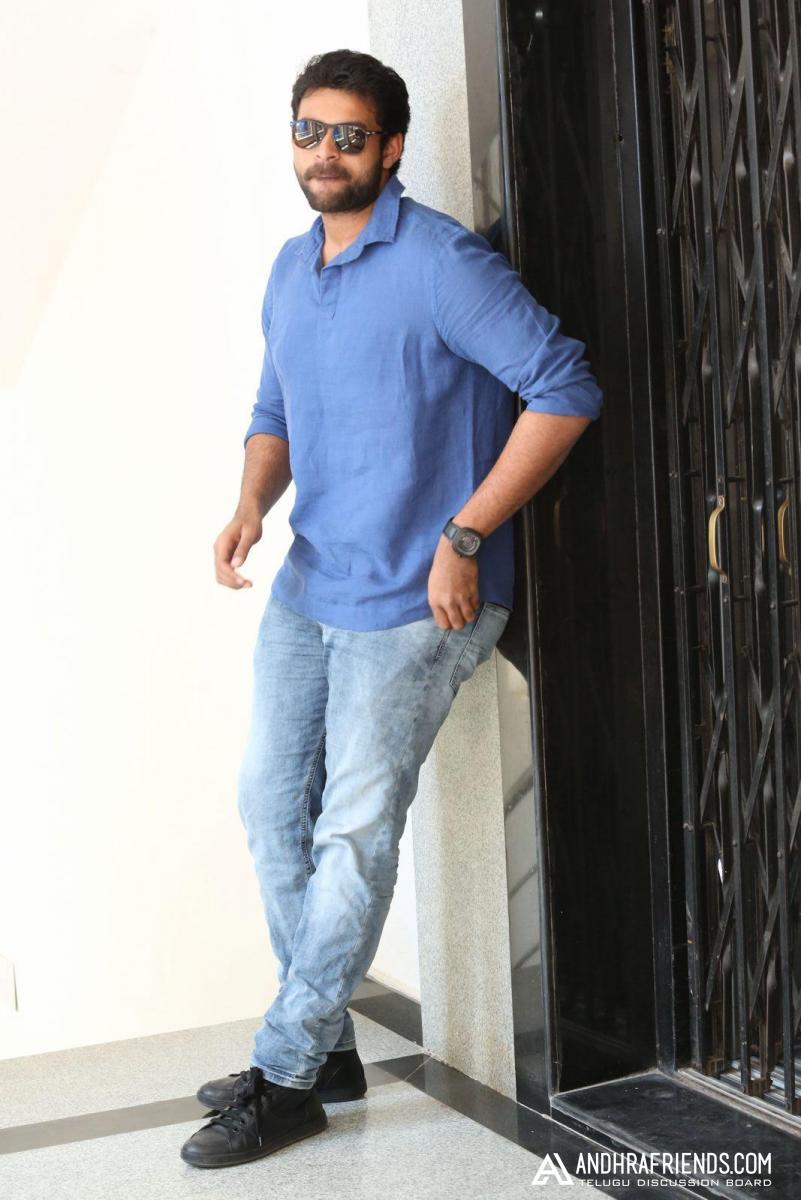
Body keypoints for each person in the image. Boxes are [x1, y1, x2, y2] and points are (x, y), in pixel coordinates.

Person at [180, 48, 603, 1170]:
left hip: (419, 601)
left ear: (392, 147)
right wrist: (250, 504)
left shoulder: (440, 263)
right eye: (309, 131)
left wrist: (466, 534)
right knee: (271, 808)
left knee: (351, 832)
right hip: (310, 586)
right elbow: (275, 407)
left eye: (350, 135)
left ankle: (285, 1074)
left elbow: (565, 389)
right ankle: (321, 1047)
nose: (326, 152)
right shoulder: (292, 266)